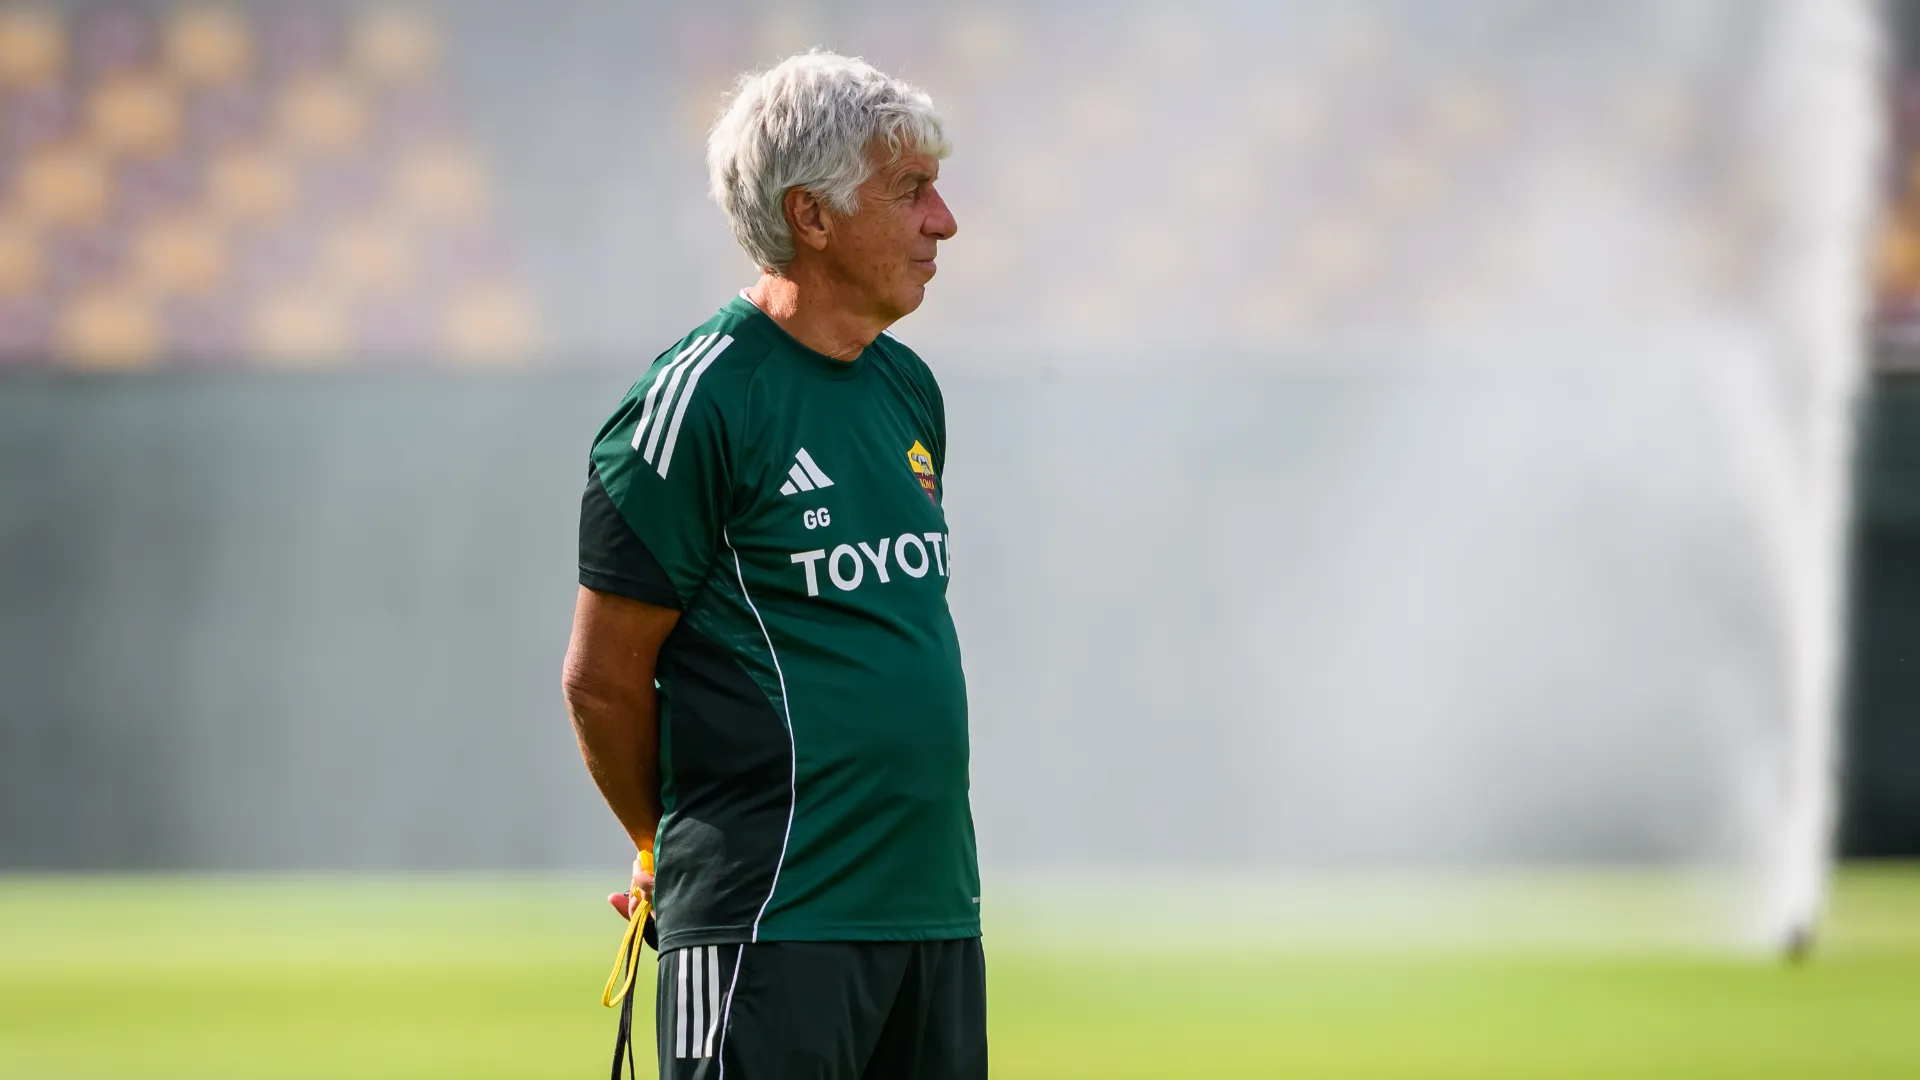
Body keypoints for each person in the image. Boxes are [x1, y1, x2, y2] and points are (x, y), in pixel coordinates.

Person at [561, 50, 983, 1079]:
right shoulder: (696, 402)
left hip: (932, 918)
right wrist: (663, 844)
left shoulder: (907, 389)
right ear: (812, 216)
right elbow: (602, 681)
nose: (944, 222)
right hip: (769, 923)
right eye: (910, 191)